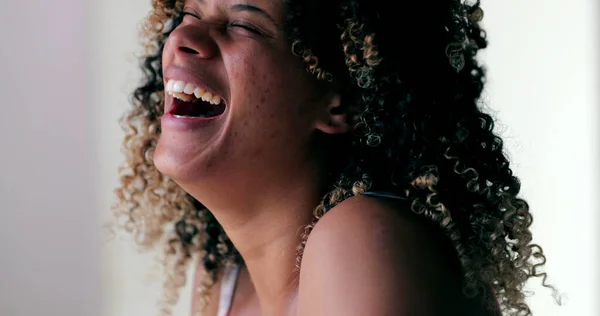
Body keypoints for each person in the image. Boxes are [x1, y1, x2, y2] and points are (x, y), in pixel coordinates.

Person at [114, 0, 558, 315]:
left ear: (340, 102)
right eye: (190, 13)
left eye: (243, 24)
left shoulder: (360, 242)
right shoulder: (224, 283)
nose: (183, 37)